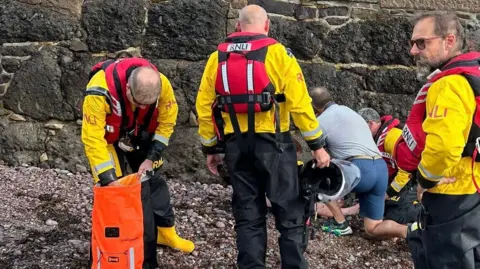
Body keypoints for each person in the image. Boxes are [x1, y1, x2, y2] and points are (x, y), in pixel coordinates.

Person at [195, 4, 330, 269]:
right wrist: (317, 146)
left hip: (236, 147)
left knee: (248, 214)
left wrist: (211, 148)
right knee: (289, 213)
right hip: (274, 145)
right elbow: (300, 103)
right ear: (267, 26)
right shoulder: (279, 54)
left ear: (237, 26)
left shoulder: (216, 58)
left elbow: (203, 107)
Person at [81, 57, 195, 253]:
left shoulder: (162, 85)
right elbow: (92, 138)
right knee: (112, 190)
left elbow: (167, 122)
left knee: (154, 182)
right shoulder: (99, 90)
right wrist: (108, 178)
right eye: (138, 102)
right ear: (127, 89)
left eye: (148, 104)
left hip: (140, 135)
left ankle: (166, 232)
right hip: (107, 139)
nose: (143, 108)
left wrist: (151, 157)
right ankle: (116, 241)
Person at [405, 12, 480, 268]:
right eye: (413, 43)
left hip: (453, 192)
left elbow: (444, 147)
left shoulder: (448, 84)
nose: (414, 50)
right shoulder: (475, 75)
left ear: (449, 40)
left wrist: (425, 179)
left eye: (422, 42)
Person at [310, 87, 408, 239]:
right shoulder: (351, 112)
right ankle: (409, 231)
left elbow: (320, 157)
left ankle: (340, 223)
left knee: (319, 177)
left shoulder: (318, 122)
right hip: (380, 168)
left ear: (313, 106)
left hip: (359, 169)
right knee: (372, 228)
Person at [357, 107, 421, 224]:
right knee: (378, 209)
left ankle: (424, 214)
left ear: (371, 124)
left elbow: (407, 170)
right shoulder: (377, 138)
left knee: (395, 216)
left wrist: (388, 193)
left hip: (413, 180)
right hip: (397, 180)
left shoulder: (392, 137)